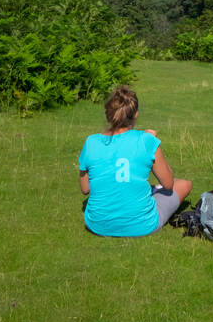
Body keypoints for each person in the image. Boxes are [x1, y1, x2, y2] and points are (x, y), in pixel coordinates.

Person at [78, 85, 192, 238]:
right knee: (184, 184)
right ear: (135, 115)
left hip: (96, 224)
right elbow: (169, 184)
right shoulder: (146, 141)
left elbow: (85, 188)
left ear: (108, 114)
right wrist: (154, 141)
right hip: (143, 225)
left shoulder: (91, 142)